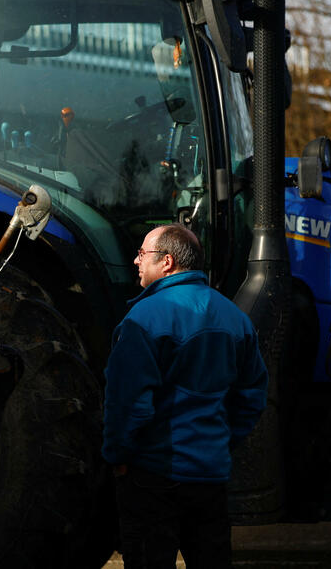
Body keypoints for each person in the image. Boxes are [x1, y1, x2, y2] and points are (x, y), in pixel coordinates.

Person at [102, 223, 268, 568]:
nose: (135, 261)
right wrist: (217, 441)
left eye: (142, 254)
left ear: (167, 261)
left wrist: (117, 455)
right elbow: (251, 396)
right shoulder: (236, 319)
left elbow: (129, 403)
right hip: (210, 477)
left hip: (153, 474)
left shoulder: (143, 319)